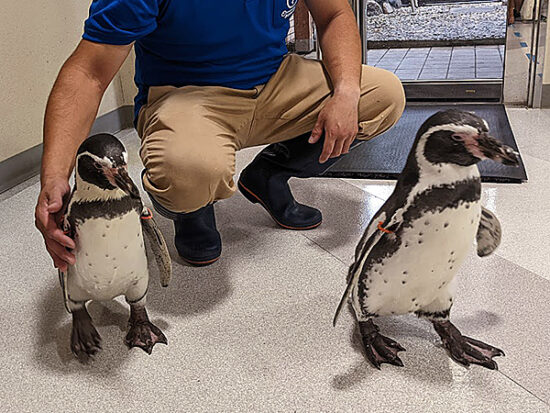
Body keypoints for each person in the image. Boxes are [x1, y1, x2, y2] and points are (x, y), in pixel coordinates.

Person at [35, 0, 405, 269]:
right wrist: (54, 177)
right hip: (187, 93)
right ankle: (190, 210)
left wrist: (344, 92)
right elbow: (89, 73)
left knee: (381, 96)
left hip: (275, 80)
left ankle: (268, 175)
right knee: (188, 168)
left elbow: (335, 15)